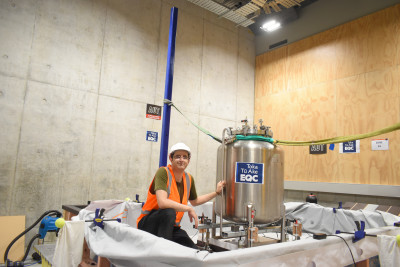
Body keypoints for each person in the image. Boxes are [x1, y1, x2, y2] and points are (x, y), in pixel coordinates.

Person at [137, 142, 226, 249]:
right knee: (169, 212)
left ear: (189, 160)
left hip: (171, 227)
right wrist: (188, 208)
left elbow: (195, 201)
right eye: (177, 157)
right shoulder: (163, 172)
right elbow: (162, 203)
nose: (181, 160)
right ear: (171, 158)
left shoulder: (188, 178)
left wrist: (216, 193)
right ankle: (163, 252)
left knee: (192, 248)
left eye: (185, 157)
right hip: (148, 224)